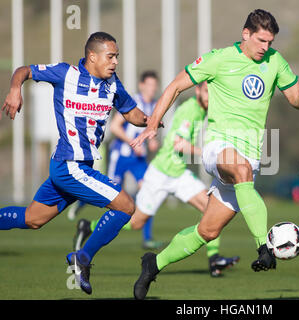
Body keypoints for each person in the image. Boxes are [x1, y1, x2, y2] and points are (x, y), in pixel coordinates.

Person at [130, 9, 299, 300]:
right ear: (246, 34)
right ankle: (264, 246)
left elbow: (296, 101)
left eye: (270, 42)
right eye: (261, 41)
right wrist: (153, 123)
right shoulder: (218, 58)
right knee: (240, 170)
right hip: (218, 147)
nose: (266, 47)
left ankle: (153, 265)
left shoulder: (275, 61)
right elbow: (176, 85)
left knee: (207, 231)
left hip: (250, 157)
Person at [0, 32, 152, 295]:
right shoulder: (64, 73)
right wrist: (15, 90)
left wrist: (152, 120)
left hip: (79, 168)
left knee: (33, 219)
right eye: (111, 56)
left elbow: (131, 113)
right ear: (92, 56)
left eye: (117, 56)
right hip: (69, 166)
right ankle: (82, 258)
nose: (115, 62)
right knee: (127, 207)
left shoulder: (112, 84)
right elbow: (23, 70)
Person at [74, 82, 240, 277]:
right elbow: (179, 145)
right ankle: (89, 226)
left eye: (212, 93)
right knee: (136, 223)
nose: (209, 97)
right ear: (197, 92)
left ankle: (214, 260)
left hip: (179, 174)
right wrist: (208, 153)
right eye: (206, 92)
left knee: (211, 209)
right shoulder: (191, 110)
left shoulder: (202, 111)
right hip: (161, 173)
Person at [70, 71, 162, 249]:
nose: (151, 89)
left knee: (149, 191)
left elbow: (147, 131)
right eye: (148, 85)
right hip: (120, 157)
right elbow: (115, 127)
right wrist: (132, 142)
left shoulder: (155, 106)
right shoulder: (133, 103)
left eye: (154, 86)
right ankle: (82, 204)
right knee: (110, 195)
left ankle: (147, 238)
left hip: (138, 160)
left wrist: (152, 141)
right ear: (141, 85)